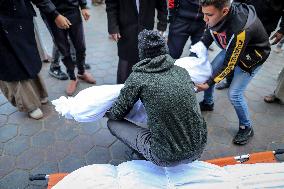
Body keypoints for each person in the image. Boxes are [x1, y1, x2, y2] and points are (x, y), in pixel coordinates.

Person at [105, 30, 207, 167]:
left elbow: (117, 113)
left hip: (166, 157)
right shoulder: (182, 72)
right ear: (165, 49)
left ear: (141, 52)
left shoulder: (138, 77)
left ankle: (142, 156)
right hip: (199, 147)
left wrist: (106, 112)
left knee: (112, 124)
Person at [196, 0, 271, 145]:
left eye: (209, 15)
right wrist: (200, 48)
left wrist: (209, 83)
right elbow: (209, 30)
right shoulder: (216, 14)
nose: (204, 19)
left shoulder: (240, 29)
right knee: (210, 71)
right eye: (203, 14)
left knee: (234, 94)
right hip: (233, 48)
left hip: (251, 56)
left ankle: (246, 127)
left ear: (224, 11)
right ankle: (208, 102)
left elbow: (230, 64)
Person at [0, 0, 60, 119]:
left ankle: (40, 92)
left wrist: (54, 13)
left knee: (28, 56)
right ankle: (30, 104)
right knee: (10, 65)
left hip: (19, 15)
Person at [216, 0, 284, 90]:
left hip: (263, 29)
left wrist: (282, 30)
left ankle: (237, 85)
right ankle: (229, 81)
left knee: (248, 57)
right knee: (232, 53)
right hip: (242, 22)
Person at [40, 0, 96, 96]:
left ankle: (81, 72)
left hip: (72, 9)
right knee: (64, 50)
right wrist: (55, 14)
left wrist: (83, 6)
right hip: (51, 14)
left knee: (80, 47)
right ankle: (73, 77)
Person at [105, 0, 167, 84]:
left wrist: (162, 26)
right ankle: (121, 89)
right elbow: (111, 5)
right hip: (125, 28)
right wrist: (113, 27)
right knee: (125, 60)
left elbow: (162, 5)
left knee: (145, 60)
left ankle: (142, 88)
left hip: (146, 26)